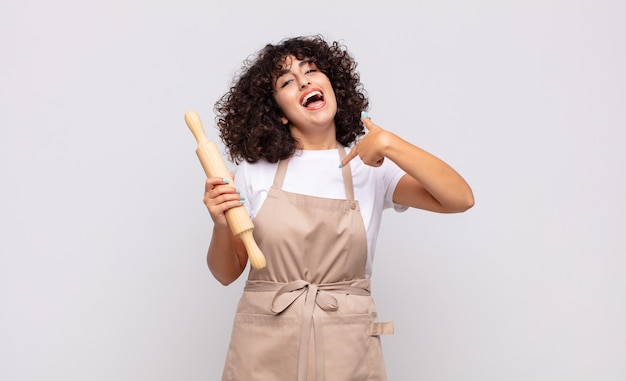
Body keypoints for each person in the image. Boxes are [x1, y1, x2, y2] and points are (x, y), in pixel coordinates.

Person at [202, 35, 474, 381]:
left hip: (346, 344)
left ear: (332, 85)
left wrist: (391, 144)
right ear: (279, 113)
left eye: (311, 70)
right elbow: (226, 273)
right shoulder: (255, 172)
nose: (304, 81)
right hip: (265, 346)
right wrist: (220, 224)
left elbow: (460, 198)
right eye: (287, 81)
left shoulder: (371, 168)